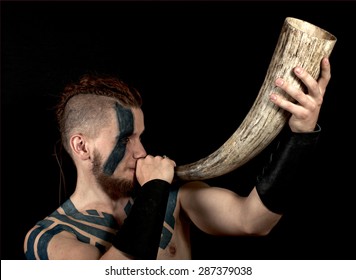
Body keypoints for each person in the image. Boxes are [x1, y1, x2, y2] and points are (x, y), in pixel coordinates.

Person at [24, 57, 331, 260]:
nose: (141, 151)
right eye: (126, 139)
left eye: (140, 137)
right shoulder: (49, 237)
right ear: (81, 147)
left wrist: (300, 135)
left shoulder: (175, 198)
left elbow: (254, 221)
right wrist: (153, 189)